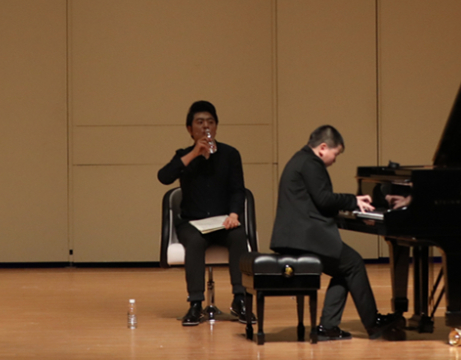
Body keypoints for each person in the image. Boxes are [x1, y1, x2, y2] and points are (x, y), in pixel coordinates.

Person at [270, 125, 402, 341]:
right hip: (303, 238)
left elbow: (316, 202)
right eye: (336, 154)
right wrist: (354, 201)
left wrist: (351, 210)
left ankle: (328, 327)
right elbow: (324, 199)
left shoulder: (300, 160)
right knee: (354, 263)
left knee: (345, 269)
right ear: (323, 147)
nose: (335, 160)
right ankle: (373, 323)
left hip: (296, 236)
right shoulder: (311, 163)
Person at [157, 100, 252, 326]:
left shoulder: (230, 154)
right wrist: (194, 154)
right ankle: (195, 303)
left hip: (223, 221)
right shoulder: (184, 155)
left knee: (238, 235)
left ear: (216, 126)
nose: (206, 126)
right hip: (192, 222)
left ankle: (240, 299)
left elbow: (238, 190)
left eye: (210, 122)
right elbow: (164, 177)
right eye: (200, 122)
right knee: (195, 242)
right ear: (190, 129)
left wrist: (234, 215)